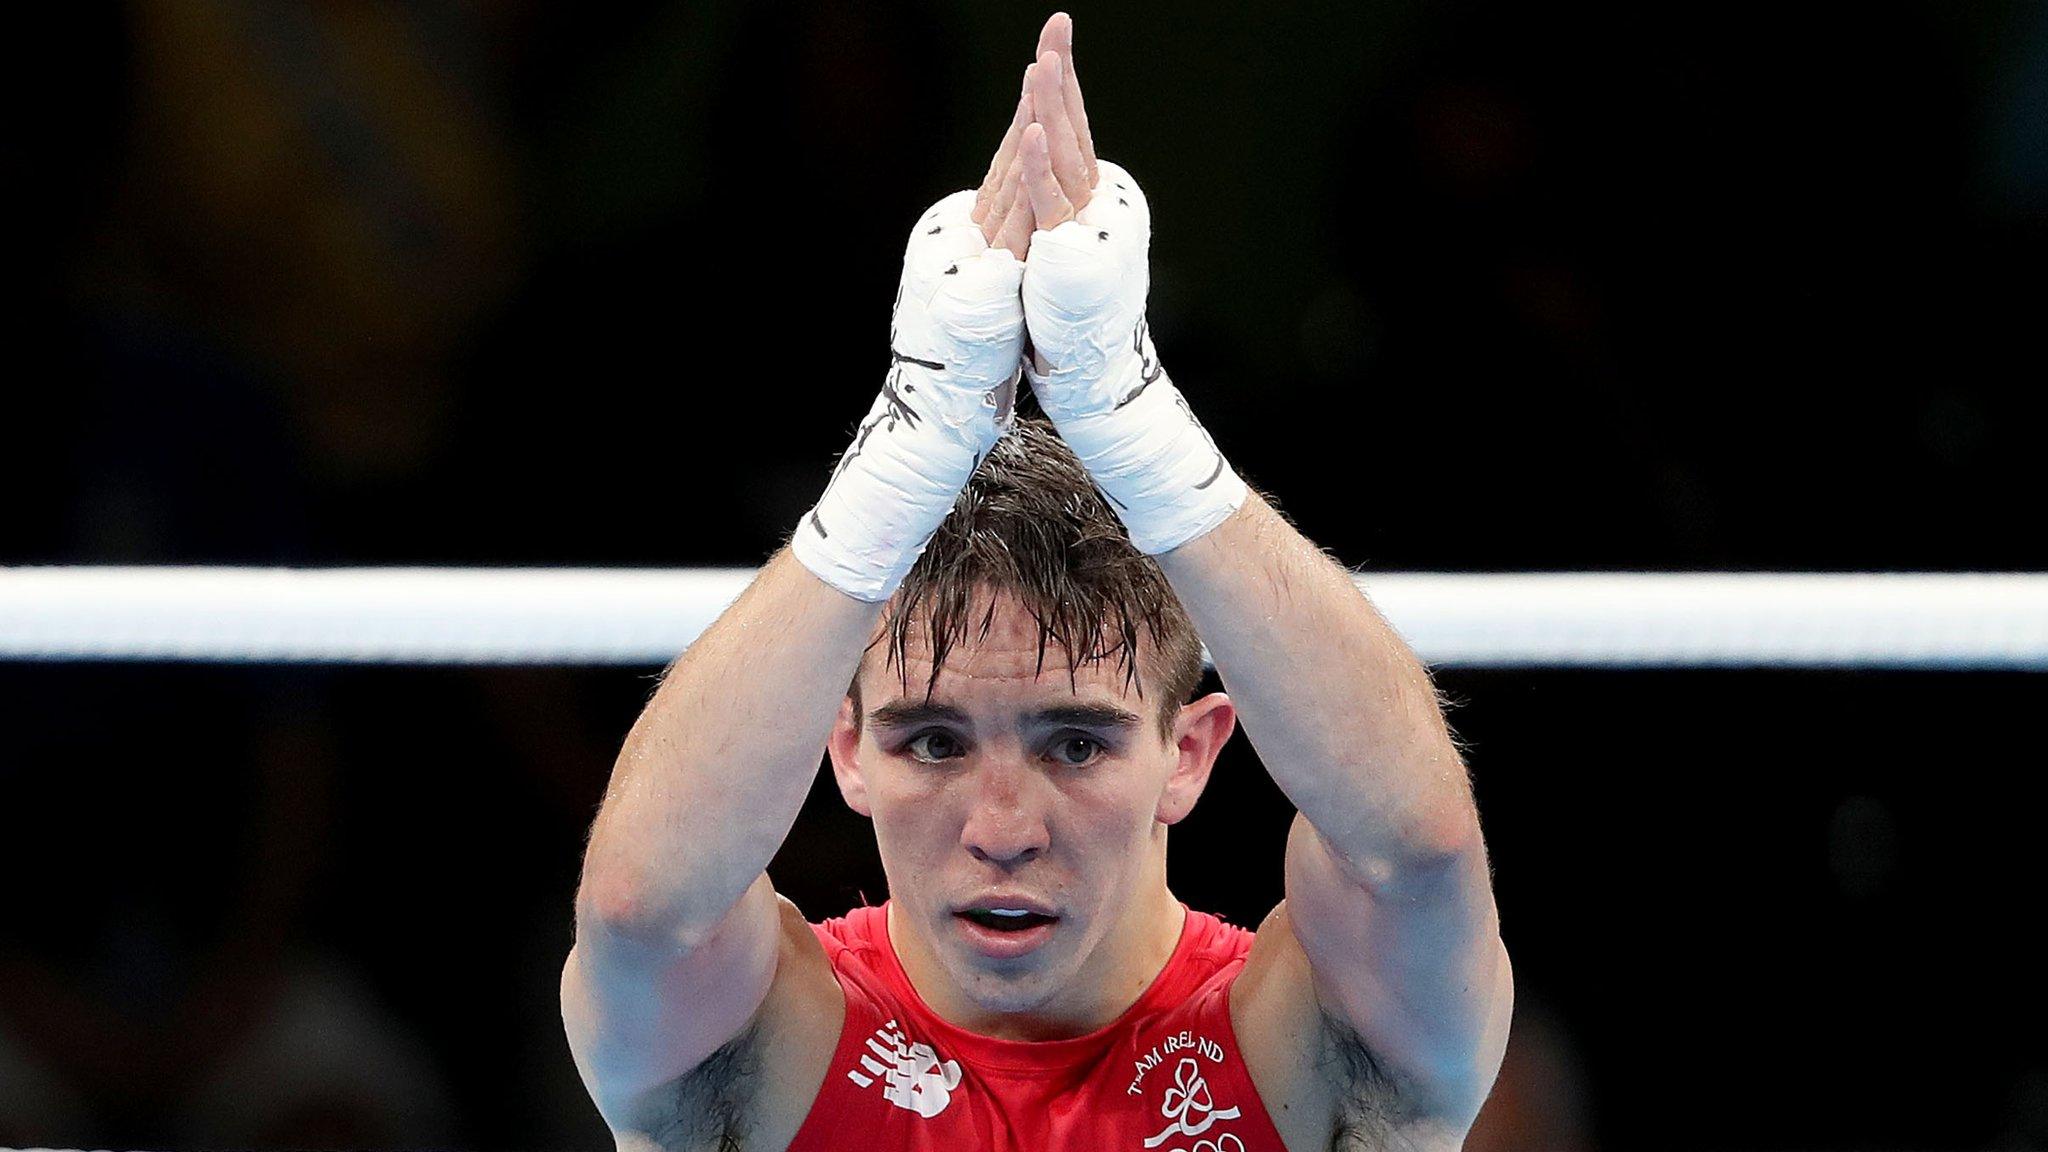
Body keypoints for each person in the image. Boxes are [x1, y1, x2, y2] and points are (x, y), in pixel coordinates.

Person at [561, 13, 1511, 1150]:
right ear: (846, 748)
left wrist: (1128, 411)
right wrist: (912, 440)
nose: (1001, 828)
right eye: (933, 741)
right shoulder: (767, 1049)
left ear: (1191, 752)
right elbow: (638, 914)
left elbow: (1415, 854)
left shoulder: (1307, 1052)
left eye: (1074, 743)